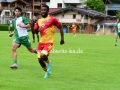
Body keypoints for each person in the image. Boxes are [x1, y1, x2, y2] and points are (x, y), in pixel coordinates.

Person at [33, 4, 65, 78]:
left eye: (44, 10)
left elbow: (60, 27)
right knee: (39, 60)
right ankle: (47, 72)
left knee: (42, 56)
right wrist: (32, 26)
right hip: (41, 42)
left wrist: (62, 39)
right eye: (42, 10)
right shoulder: (39, 21)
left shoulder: (52, 19)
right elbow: (34, 32)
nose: (43, 11)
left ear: (47, 11)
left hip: (50, 41)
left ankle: (49, 62)